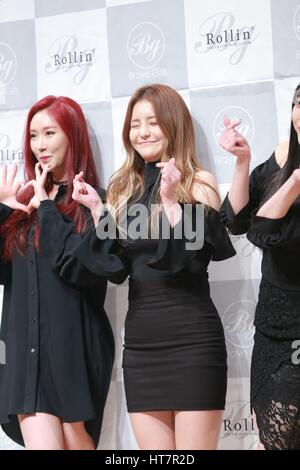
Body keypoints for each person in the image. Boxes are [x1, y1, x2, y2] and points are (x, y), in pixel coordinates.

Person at [46, 84, 236, 450]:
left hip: (194, 344)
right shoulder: (123, 189)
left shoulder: (199, 183)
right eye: (135, 124)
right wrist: (99, 212)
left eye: (153, 122)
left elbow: (193, 260)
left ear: (173, 125)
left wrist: (170, 202)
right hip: (142, 350)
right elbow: (115, 267)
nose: (143, 132)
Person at [0, 96, 114, 450]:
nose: (40, 145)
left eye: (50, 132)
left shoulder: (96, 201)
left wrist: (48, 207)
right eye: (34, 135)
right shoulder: (22, 203)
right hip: (25, 351)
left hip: (75, 350)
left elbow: (89, 268)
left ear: (72, 135)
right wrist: (5, 212)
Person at [219, 83, 300, 450]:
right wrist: (242, 162)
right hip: (273, 327)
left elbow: (265, 229)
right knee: (274, 439)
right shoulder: (283, 158)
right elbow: (238, 221)